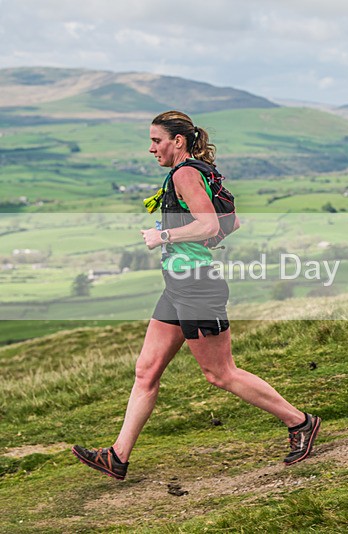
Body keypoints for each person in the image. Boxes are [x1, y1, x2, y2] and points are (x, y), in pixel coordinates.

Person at [72, 111, 320, 480]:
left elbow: (208, 224)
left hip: (196, 285)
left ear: (178, 141)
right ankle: (118, 456)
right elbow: (229, 223)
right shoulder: (200, 170)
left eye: (157, 141)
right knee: (146, 371)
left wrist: (165, 236)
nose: (151, 148)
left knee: (220, 373)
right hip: (178, 284)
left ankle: (299, 422)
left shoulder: (186, 173)